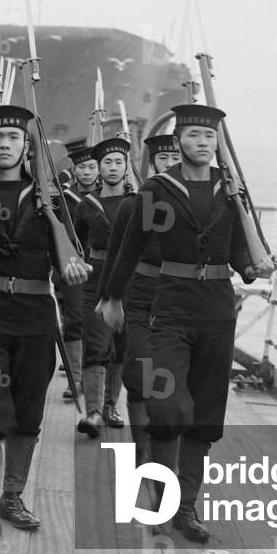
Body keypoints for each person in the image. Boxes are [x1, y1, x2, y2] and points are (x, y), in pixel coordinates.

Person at [100, 104, 273, 542]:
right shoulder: (157, 190)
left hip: (217, 311)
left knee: (205, 412)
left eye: (210, 137)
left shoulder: (230, 190)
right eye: (194, 135)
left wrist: (251, 268)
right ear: (178, 142)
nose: (203, 143)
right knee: (166, 406)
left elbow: (239, 248)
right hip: (170, 309)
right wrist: (112, 296)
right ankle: (161, 499)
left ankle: (186, 507)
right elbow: (128, 248)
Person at [0, 104, 90, 544]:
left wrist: (73, 275)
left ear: (26, 146)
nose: (4, 145)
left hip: (35, 318)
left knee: (27, 413)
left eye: (13, 137)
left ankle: (12, 496)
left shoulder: (50, 199)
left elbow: (69, 256)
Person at [97, 134, 180, 462]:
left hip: (180, 298)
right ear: (152, 163)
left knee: (173, 382)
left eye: (175, 157)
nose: (170, 164)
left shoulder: (195, 206)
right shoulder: (134, 205)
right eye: (163, 158)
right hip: (142, 295)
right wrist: (108, 297)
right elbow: (117, 253)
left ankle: (164, 456)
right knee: (139, 375)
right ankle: (141, 454)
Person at [73, 136, 133, 437]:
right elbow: (75, 243)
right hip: (96, 280)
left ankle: (111, 406)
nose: (112, 167)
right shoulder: (87, 205)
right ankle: (94, 412)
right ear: (99, 168)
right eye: (107, 162)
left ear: (126, 167)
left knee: (121, 346)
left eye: (118, 162)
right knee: (96, 344)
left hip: (130, 279)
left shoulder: (138, 202)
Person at [54, 138, 95, 402]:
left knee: (98, 325)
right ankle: (76, 378)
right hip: (73, 266)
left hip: (101, 266)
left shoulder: (108, 195)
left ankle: (95, 381)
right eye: (82, 168)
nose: (87, 172)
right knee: (74, 320)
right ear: (74, 169)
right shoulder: (65, 198)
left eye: (92, 167)